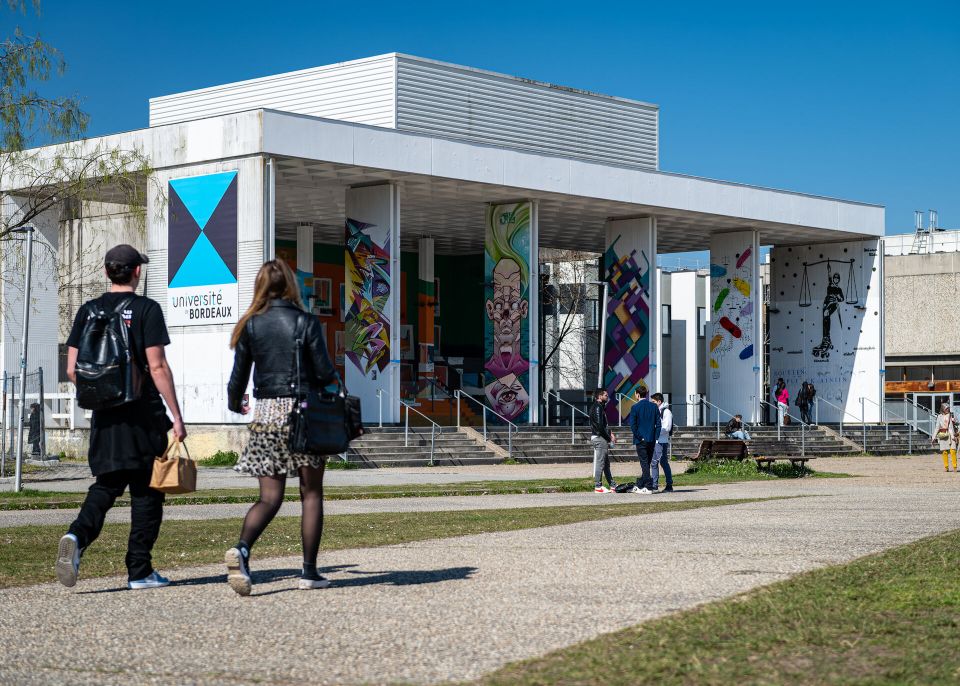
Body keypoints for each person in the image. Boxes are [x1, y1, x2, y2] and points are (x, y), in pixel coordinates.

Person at [56, 245, 186, 590]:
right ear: (136, 273)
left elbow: (72, 370)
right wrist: (177, 415)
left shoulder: (87, 311)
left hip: (105, 417)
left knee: (107, 485)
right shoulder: (146, 309)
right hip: (143, 414)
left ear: (106, 272)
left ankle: (76, 535)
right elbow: (157, 366)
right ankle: (140, 571)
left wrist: (104, 392)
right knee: (147, 492)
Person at [225, 259, 339, 595]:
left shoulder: (251, 325)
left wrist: (236, 403)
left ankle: (242, 549)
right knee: (311, 493)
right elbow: (323, 371)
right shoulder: (305, 322)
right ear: (290, 284)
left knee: (270, 496)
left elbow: (238, 375)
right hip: (304, 414)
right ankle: (309, 572)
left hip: (267, 413)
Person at [627, 386, 660, 494]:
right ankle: (640, 483)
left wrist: (639, 436)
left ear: (637, 394)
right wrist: (656, 437)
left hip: (640, 440)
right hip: (651, 439)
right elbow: (658, 424)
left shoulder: (635, 407)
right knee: (647, 462)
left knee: (644, 463)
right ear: (646, 394)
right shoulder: (654, 407)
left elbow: (633, 425)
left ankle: (648, 486)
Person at [588, 389, 618, 493]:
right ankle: (598, 486)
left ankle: (612, 485)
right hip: (599, 438)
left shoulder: (599, 407)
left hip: (600, 437)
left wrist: (610, 433)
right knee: (601, 462)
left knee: (605, 463)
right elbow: (600, 426)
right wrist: (609, 438)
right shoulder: (597, 407)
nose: (607, 397)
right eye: (605, 395)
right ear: (600, 396)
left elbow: (603, 425)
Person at [650, 393, 673, 493]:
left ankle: (664, 485)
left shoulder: (666, 412)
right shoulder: (657, 411)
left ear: (659, 402)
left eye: (653, 402)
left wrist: (656, 431)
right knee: (657, 462)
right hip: (656, 440)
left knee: (659, 462)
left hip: (661, 441)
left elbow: (667, 427)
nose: (652, 403)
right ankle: (658, 484)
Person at [933, 403, 957, 473]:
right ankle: (946, 467)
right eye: (946, 408)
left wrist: (953, 436)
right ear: (943, 409)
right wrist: (933, 437)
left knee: (953, 451)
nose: (948, 409)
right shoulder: (939, 416)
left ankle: (955, 466)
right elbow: (937, 427)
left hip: (951, 435)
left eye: (948, 408)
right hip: (943, 435)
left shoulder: (950, 415)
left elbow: (951, 427)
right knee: (944, 452)